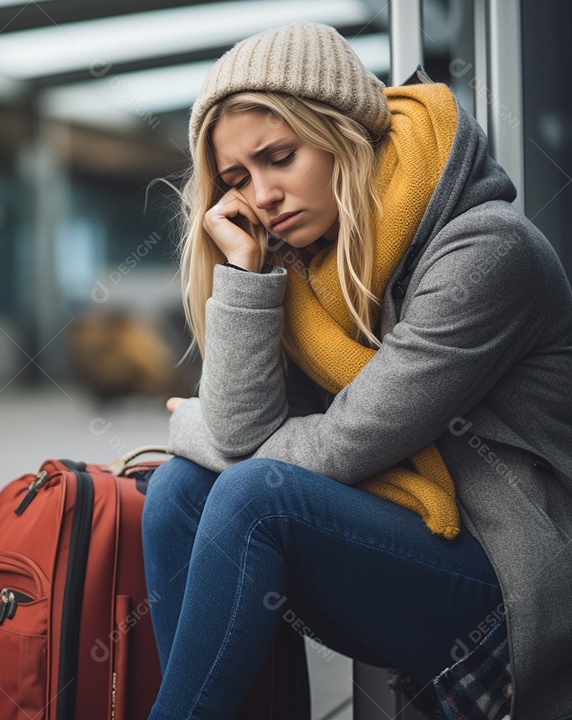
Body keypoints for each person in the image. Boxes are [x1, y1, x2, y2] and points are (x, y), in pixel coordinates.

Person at [144, 21, 572, 719]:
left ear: (345, 130)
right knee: (179, 491)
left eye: (279, 157)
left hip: (522, 586)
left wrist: (192, 424)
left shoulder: (486, 254)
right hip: (415, 546)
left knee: (256, 496)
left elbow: (339, 444)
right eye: (237, 180)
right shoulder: (308, 268)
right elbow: (248, 433)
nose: (262, 196)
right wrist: (245, 275)